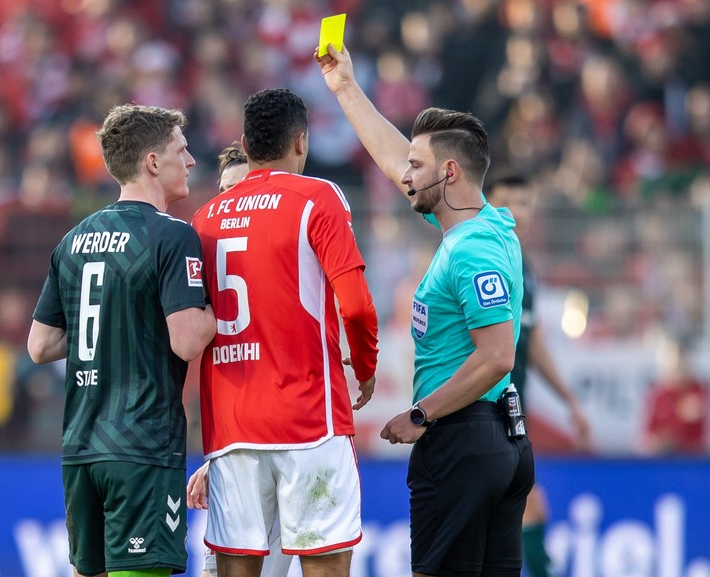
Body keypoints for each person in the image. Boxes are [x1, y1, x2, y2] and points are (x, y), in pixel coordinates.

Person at [316, 46, 535, 576]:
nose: (406, 175)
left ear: (450, 171)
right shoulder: (488, 225)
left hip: (461, 442)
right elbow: (397, 165)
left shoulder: (470, 249)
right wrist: (345, 86)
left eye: (419, 166)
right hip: (500, 439)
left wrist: (421, 414)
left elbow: (498, 356)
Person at [191, 88, 379, 577]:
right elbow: (355, 305)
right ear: (301, 141)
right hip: (307, 420)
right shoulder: (317, 197)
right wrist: (366, 369)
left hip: (232, 428)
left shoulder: (205, 217)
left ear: (246, 146)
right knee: (324, 566)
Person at [27, 103, 217, 577]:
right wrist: (219, 312)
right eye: (182, 149)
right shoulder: (171, 236)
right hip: (141, 444)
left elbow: (41, 346)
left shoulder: (73, 239)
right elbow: (188, 342)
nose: (191, 160)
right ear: (153, 162)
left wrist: (117, 317)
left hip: (81, 447)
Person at [187, 143, 294, 577]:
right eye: (226, 190)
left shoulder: (291, 265)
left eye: (246, 188)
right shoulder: (205, 257)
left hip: (292, 444)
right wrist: (216, 458)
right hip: (234, 446)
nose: (236, 201)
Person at [485, 171, 593, 577]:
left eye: (526, 203)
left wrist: (569, 401)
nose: (518, 213)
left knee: (521, 506)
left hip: (514, 409)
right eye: (507, 203)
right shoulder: (486, 258)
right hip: (489, 408)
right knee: (523, 503)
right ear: (488, 205)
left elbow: (534, 338)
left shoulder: (522, 265)